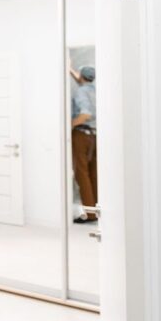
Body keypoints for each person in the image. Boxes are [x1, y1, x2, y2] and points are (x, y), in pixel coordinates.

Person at [70, 65, 98, 223]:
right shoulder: (95, 90)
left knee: (82, 174)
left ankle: (89, 214)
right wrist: (70, 69)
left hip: (81, 135)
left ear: (82, 76)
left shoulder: (81, 91)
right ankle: (96, 211)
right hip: (94, 135)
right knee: (94, 174)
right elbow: (82, 81)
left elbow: (85, 114)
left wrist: (69, 125)